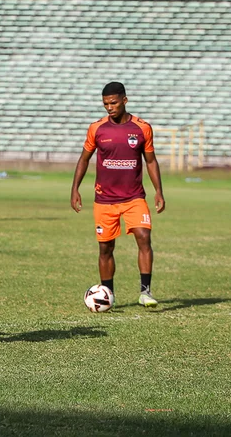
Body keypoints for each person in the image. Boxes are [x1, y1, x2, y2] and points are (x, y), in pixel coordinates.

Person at [70, 82, 165, 308]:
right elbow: (84, 159)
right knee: (106, 248)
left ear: (125, 100)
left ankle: (145, 292)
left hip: (134, 198)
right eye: (105, 104)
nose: (109, 108)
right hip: (104, 200)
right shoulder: (97, 128)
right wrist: (75, 188)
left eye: (113, 103)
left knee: (143, 236)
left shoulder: (142, 128)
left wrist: (159, 190)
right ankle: (107, 293)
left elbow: (150, 161)